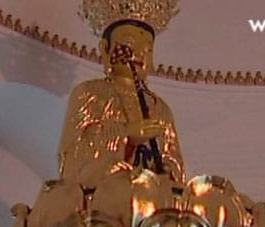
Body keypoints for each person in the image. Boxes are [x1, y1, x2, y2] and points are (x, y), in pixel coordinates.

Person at [57, 19, 184, 188]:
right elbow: (70, 157)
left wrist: (165, 168)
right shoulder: (89, 92)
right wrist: (126, 135)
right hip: (105, 190)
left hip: (150, 193)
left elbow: (174, 161)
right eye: (129, 43)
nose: (140, 53)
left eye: (148, 49)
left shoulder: (160, 108)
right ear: (105, 49)